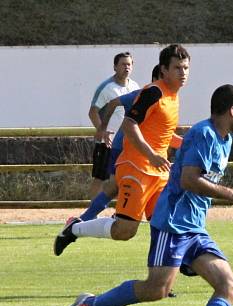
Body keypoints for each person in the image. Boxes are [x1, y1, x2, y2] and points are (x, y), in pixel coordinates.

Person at [57, 84, 233, 306]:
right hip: (172, 224)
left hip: (194, 228)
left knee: (229, 286)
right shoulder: (204, 134)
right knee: (156, 290)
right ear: (232, 111)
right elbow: (189, 179)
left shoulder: (225, 139)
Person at [54, 44, 190, 256]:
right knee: (125, 230)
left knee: (164, 224)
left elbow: (162, 135)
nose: (183, 73)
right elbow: (128, 124)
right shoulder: (153, 92)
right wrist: (103, 129)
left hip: (159, 173)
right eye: (177, 68)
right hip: (136, 166)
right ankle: (76, 228)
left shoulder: (174, 96)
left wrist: (188, 143)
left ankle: (162, 275)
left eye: (185, 68)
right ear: (163, 70)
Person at [77, 65, 182, 222]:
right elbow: (114, 104)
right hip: (125, 149)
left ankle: (87, 219)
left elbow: (167, 136)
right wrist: (102, 127)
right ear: (158, 79)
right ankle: (92, 219)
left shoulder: (167, 100)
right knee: (113, 185)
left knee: (114, 187)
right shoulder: (144, 95)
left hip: (141, 155)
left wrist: (187, 143)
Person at [88, 52, 140, 199]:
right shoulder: (106, 87)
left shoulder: (135, 86)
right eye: (123, 64)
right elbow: (92, 112)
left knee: (124, 178)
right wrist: (102, 131)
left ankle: (120, 214)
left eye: (129, 64)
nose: (126, 67)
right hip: (108, 141)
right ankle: (90, 216)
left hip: (126, 142)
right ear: (115, 67)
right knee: (101, 178)